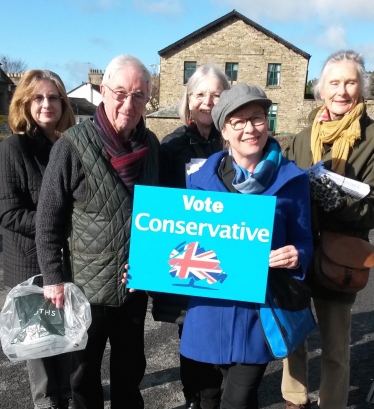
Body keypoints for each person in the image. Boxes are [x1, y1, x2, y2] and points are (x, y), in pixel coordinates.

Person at [178, 82, 314, 409]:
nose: (249, 129)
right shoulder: (198, 180)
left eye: (257, 118)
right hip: (207, 313)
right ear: (224, 130)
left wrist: (298, 255)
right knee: (208, 400)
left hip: (258, 315)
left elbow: (305, 240)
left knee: (236, 400)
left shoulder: (292, 180)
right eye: (238, 122)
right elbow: (176, 237)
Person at [35, 55, 159, 409]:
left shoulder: (152, 146)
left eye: (138, 96)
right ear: (102, 92)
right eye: (120, 92)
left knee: (130, 372)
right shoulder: (71, 145)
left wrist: (153, 267)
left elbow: (162, 218)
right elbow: (48, 221)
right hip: (83, 291)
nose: (128, 103)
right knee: (83, 378)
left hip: (133, 286)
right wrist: (53, 279)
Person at [281, 50, 374, 409]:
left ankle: (332, 404)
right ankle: (294, 399)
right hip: (299, 254)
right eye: (334, 82)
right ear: (321, 89)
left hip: (341, 259)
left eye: (350, 82)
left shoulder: (370, 140)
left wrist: (339, 202)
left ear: (361, 88)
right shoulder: (303, 138)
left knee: (336, 348)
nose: (342, 90)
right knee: (295, 340)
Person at [151, 64, 230, 409]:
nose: (208, 101)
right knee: (190, 334)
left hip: (228, 255)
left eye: (216, 94)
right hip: (188, 257)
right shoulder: (172, 147)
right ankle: (193, 398)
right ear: (188, 99)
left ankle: (213, 399)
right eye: (200, 93)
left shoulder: (237, 141)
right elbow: (158, 211)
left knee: (219, 334)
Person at [0, 69, 76, 409]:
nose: (47, 104)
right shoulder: (13, 148)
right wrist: (58, 227)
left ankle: (66, 396)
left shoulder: (67, 145)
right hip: (29, 265)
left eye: (54, 97)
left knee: (64, 339)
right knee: (39, 350)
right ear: (25, 103)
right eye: (39, 98)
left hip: (62, 261)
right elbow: (8, 212)